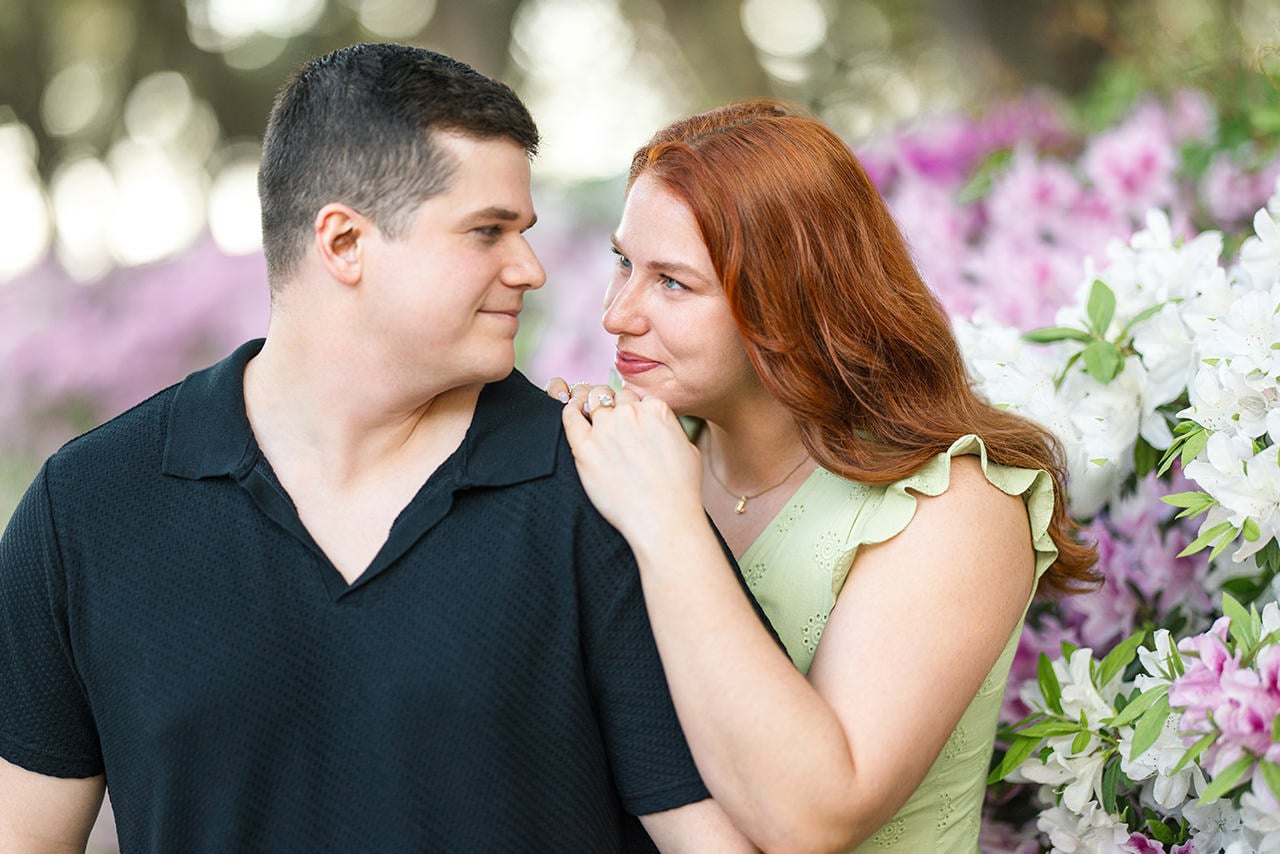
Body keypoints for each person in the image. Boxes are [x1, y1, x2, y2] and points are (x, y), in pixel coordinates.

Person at [0, 43, 756, 853]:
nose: (531, 268)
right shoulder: (87, 508)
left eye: (524, 231)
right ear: (345, 243)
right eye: (487, 232)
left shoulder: (599, 490)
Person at [548, 99, 1098, 852]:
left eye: (672, 283)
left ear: (788, 296)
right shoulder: (633, 454)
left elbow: (816, 816)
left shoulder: (953, 505)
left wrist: (666, 526)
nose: (617, 314)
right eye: (623, 263)